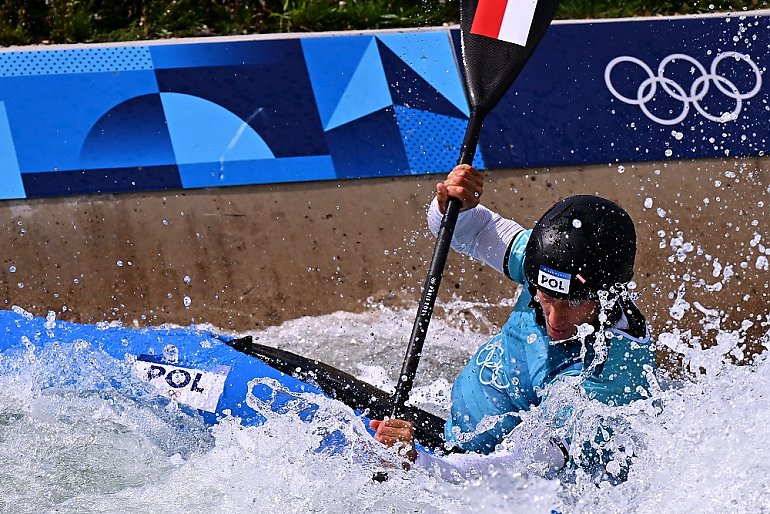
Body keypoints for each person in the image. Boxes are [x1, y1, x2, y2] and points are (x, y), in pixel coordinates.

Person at [371, 164, 657, 482]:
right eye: (545, 297)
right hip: (455, 448)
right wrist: (454, 206)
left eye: (573, 304)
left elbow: (526, 469)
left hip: (530, 482)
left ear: (609, 294)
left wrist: (421, 465)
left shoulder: (614, 375)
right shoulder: (546, 263)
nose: (555, 321)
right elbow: (470, 231)